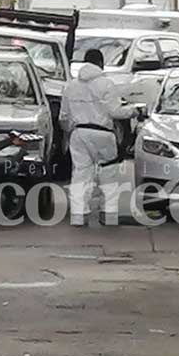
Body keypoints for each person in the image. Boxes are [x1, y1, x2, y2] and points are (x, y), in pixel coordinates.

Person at [60, 49, 140, 226]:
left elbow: (63, 117)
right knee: (108, 173)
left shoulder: (70, 86)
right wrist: (134, 111)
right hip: (103, 133)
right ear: (101, 63)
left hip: (79, 134)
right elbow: (115, 111)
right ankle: (108, 214)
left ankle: (78, 216)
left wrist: (70, 132)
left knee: (81, 173)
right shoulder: (106, 84)